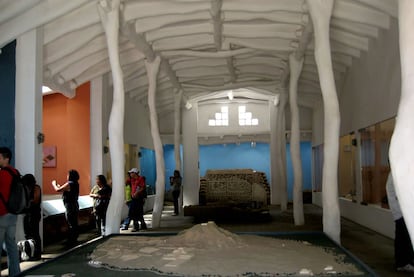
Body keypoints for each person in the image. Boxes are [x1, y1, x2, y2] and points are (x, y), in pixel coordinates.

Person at [386, 172, 414, 272]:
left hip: (404, 211)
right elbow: (393, 193)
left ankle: (405, 261)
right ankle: (403, 263)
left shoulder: (399, 171)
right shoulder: (394, 173)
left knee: (405, 237)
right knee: (403, 237)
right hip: (401, 212)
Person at [0, 147, 21, 276]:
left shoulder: (2, 174)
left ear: (6, 158)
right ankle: (15, 273)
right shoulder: (16, 173)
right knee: (11, 246)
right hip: (13, 215)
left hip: (1, 214)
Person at [51, 169, 80, 247]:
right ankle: (74, 238)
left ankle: (71, 240)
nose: (67, 176)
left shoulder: (69, 183)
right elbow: (63, 189)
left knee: (70, 223)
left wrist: (54, 184)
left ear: (70, 176)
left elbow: (58, 190)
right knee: (74, 222)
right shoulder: (76, 183)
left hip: (69, 205)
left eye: (68, 175)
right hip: (75, 204)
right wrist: (59, 186)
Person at [21, 173, 42, 261]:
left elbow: (36, 200)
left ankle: (37, 253)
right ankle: (31, 252)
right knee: (28, 234)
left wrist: (26, 203)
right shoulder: (26, 189)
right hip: (28, 214)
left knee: (34, 233)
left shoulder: (36, 188)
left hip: (34, 213)